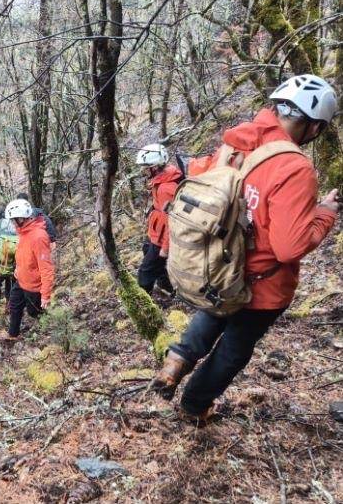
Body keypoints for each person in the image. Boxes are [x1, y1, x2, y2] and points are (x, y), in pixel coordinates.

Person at [152, 74, 339, 423]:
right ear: (314, 128)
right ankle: (195, 405)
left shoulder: (236, 144)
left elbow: (201, 180)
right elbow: (289, 247)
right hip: (262, 283)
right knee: (234, 349)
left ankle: (176, 361)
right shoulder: (295, 168)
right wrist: (324, 214)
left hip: (218, 265)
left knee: (213, 313)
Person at [0, 198, 55, 341]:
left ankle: (55, 327)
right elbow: (22, 254)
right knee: (14, 304)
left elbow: (46, 268)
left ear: (21, 218)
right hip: (21, 281)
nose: (12, 223)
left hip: (34, 287)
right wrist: (18, 269)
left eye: (13, 220)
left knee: (35, 312)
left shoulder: (38, 237)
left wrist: (45, 295)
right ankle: (13, 334)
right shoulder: (23, 232)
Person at [135, 143, 183, 295]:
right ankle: (167, 286)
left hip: (163, 239)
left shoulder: (165, 188)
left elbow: (174, 222)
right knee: (146, 248)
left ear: (154, 167)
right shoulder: (163, 178)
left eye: (145, 167)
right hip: (156, 232)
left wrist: (166, 248)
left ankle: (143, 306)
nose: (143, 170)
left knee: (145, 273)